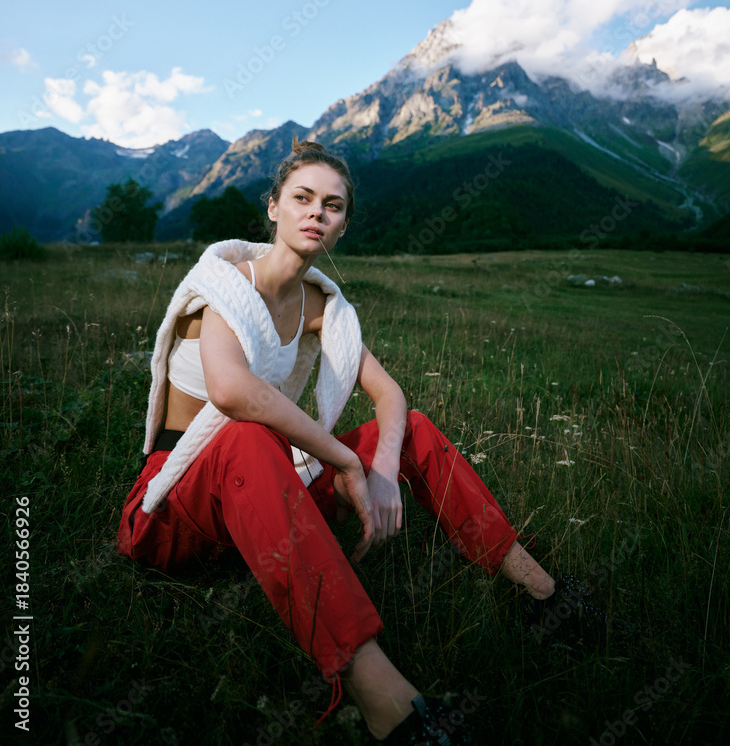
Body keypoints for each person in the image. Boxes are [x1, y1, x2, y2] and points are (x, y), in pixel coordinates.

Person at [117, 138, 561, 745]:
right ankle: (389, 705)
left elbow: (392, 397)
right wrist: (346, 460)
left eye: (332, 205)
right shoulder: (222, 285)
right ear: (272, 207)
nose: (316, 213)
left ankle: (544, 592)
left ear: (343, 224)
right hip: (174, 514)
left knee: (409, 433)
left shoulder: (322, 305)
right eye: (302, 198)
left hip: (264, 493)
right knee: (249, 438)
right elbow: (231, 391)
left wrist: (378, 465)